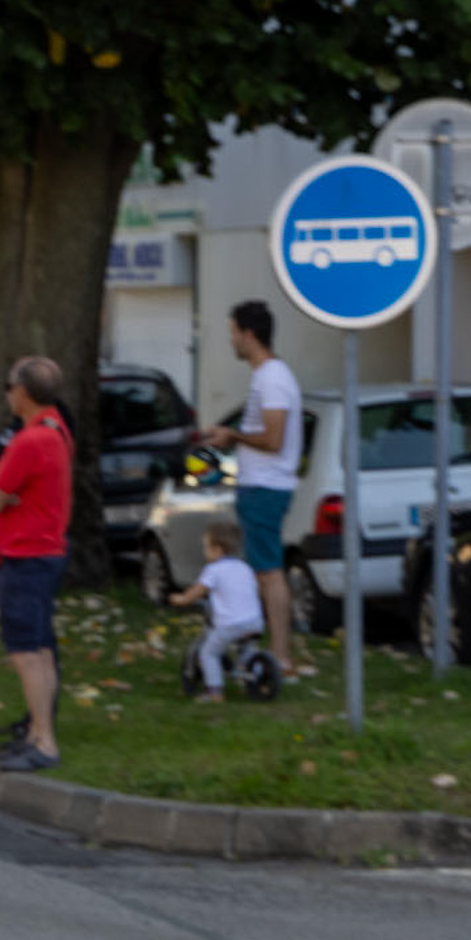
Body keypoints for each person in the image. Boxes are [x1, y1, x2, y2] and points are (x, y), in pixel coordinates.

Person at [198, 300, 308, 677]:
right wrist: (231, 440)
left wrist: (234, 435)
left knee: (267, 571)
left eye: (232, 332)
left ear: (249, 334)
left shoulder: (272, 378)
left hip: (266, 486)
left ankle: (280, 656)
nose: (230, 340)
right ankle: (267, 650)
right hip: (258, 485)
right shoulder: (266, 376)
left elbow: (274, 439)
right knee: (261, 568)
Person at [0, 356, 74, 773]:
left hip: (23, 553)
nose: (6, 394)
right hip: (46, 550)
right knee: (40, 648)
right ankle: (39, 731)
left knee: (26, 653)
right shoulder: (57, 431)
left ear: (22, 393)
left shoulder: (29, 441)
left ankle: (44, 741)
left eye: (9, 386)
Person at [169, 519, 266, 702]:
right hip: (255, 621)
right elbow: (256, 589)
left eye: (206, 547)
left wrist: (182, 599)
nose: (204, 552)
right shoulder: (245, 567)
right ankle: (256, 674)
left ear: (217, 550)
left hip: (230, 624)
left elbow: (198, 591)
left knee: (209, 652)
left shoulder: (213, 570)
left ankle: (214, 691)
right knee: (247, 648)